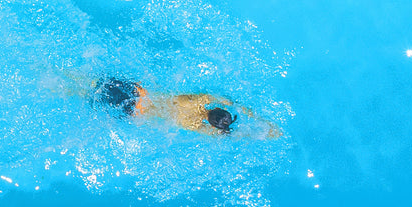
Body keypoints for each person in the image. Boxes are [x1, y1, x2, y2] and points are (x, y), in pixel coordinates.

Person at [91, 77, 280, 138]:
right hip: (135, 112)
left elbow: (231, 103)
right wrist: (264, 132)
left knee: (95, 82)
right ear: (212, 124)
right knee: (87, 95)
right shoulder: (195, 125)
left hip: (140, 93)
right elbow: (224, 135)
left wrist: (257, 116)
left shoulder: (199, 99)